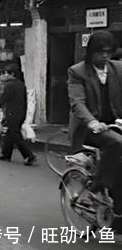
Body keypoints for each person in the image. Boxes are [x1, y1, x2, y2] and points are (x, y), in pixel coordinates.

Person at [67, 30, 122, 231]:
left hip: (115, 123)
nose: (105, 56)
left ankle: (116, 208)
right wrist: (92, 122)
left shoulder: (118, 68)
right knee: (117, 143)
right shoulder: (77, 71)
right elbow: (77, 103)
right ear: (90, 53)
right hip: (89, 127)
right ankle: (99, 184)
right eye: (100, 52)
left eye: (108, 52)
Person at [0, 64, 36, 165]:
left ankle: (29, 155)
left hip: (13, 113)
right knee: (10, 133)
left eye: (6, 73)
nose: (4, 75)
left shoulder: (10, 85)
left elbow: (2, 99)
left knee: (14, 134)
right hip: (21, 113)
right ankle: (6, 154)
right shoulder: (21, 85)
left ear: (12, 74)